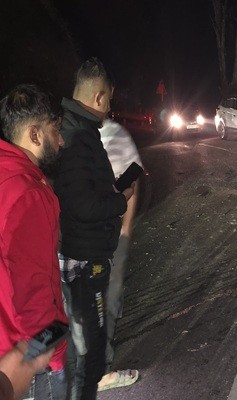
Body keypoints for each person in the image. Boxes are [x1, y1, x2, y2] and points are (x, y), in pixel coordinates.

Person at [52, 58, 135, 400]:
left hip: (88, 258)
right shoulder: (76, 137)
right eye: (109, 100)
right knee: (90, 350)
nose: (110, 108)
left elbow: (83, 191)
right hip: (85, 265)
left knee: (89, 345)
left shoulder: (79, 131)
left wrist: (112, 189)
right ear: (99, 98)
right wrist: (120, 201)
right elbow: (82, 206)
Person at [0, 84, 68, 400]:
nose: (61, 140)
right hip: (19, 358)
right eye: (55, 131)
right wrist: (55, 356)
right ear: (35, 135)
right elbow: (33, 286)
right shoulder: (29, 194)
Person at [96, 118, 141, 391]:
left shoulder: (113, 135)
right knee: (99, 302)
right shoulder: (79, 135)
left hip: (105, 239)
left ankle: (99, 368)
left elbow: (131, 182)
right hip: (86, 242)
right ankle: (99, 371)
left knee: (107, 300)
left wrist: (124, 233)